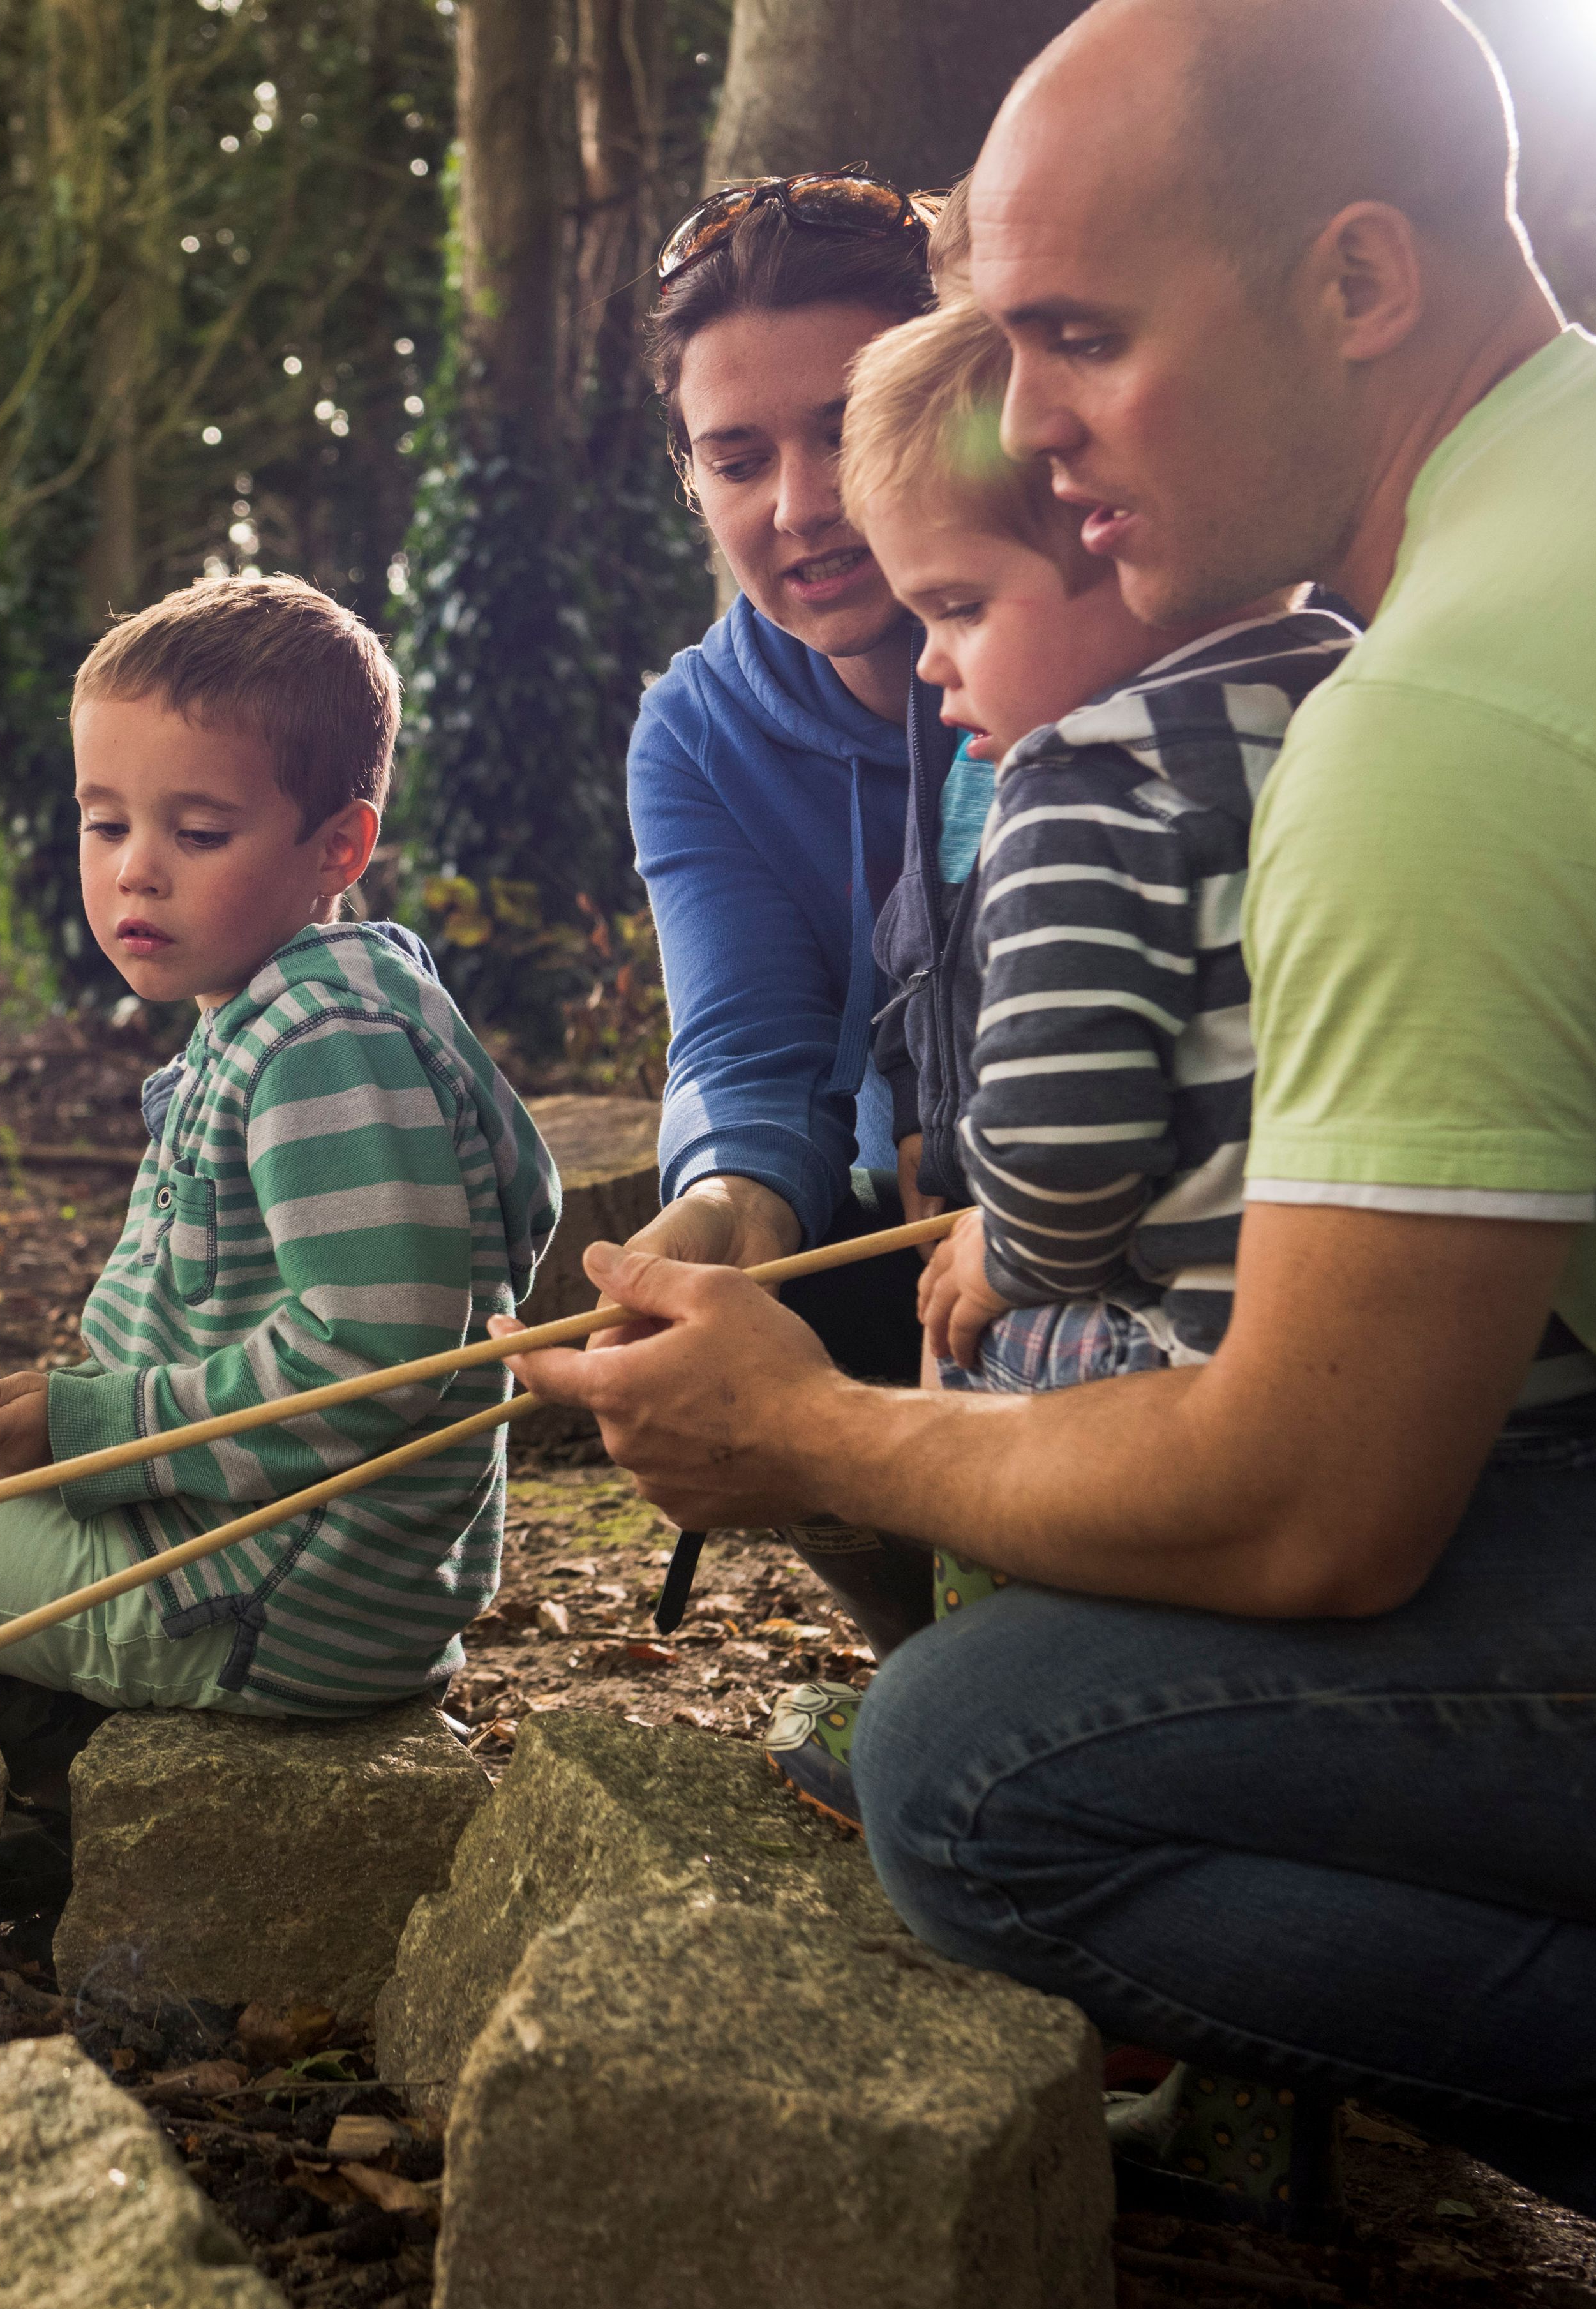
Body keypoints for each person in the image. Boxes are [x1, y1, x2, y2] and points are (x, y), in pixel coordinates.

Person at [511, 0, 1596, 2239]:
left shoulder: (1426, 724)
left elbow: (1317, 1508)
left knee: (971, 1762)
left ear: (1353, 281)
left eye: (1080, 340)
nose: (1020, 431)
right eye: (1001, 348)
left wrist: (808, 1440)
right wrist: (749, 1209)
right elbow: (751, 1039)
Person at [0, 576, 559, 1797]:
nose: (137, 872)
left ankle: (31, 1795)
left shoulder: (321, 1046)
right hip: (258, 1554)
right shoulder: (313, 1004)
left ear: (339, 844)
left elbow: (379, 1363)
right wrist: (84, 1418)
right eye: (105, 822)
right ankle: (50, 1753)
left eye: (199, 832)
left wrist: (103, 1431)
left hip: (256, 1587)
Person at [763, 290, 1357, 1871]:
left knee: (978, 1357)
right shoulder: (1342, 686)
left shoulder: (1086, 779)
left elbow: (1068, 1142)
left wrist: (994, 1252)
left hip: (1206, 1345)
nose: (935, 674)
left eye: (956, 609)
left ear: (1110, 540)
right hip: (1380, 1326)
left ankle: (998, 1706)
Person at [618, 172, 964, 1655]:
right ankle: (931, 1649)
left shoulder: (1110, 639)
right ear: (688, 474)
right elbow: (748, 1043)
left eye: (844, 427)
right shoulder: (697, 734)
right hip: (890, 1229)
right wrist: (727, 1209)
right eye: (737, 456)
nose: (801, 507)